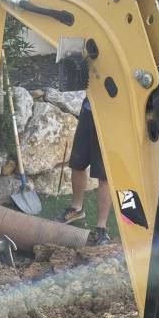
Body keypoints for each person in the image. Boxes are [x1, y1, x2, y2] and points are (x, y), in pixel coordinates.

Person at [57, 97, 111, 246]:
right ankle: (77, 209)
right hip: (89, 110)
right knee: (77, 164)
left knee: (104, 175)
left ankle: (101, 227)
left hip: (111, 117)